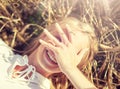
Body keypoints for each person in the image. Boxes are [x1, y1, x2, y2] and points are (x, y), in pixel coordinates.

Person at [0, 17, 98, 89]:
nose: (59, 50)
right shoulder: (3, 51)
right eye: (58, 39)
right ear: (45, 35)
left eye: (69, 52)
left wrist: (70, 69)